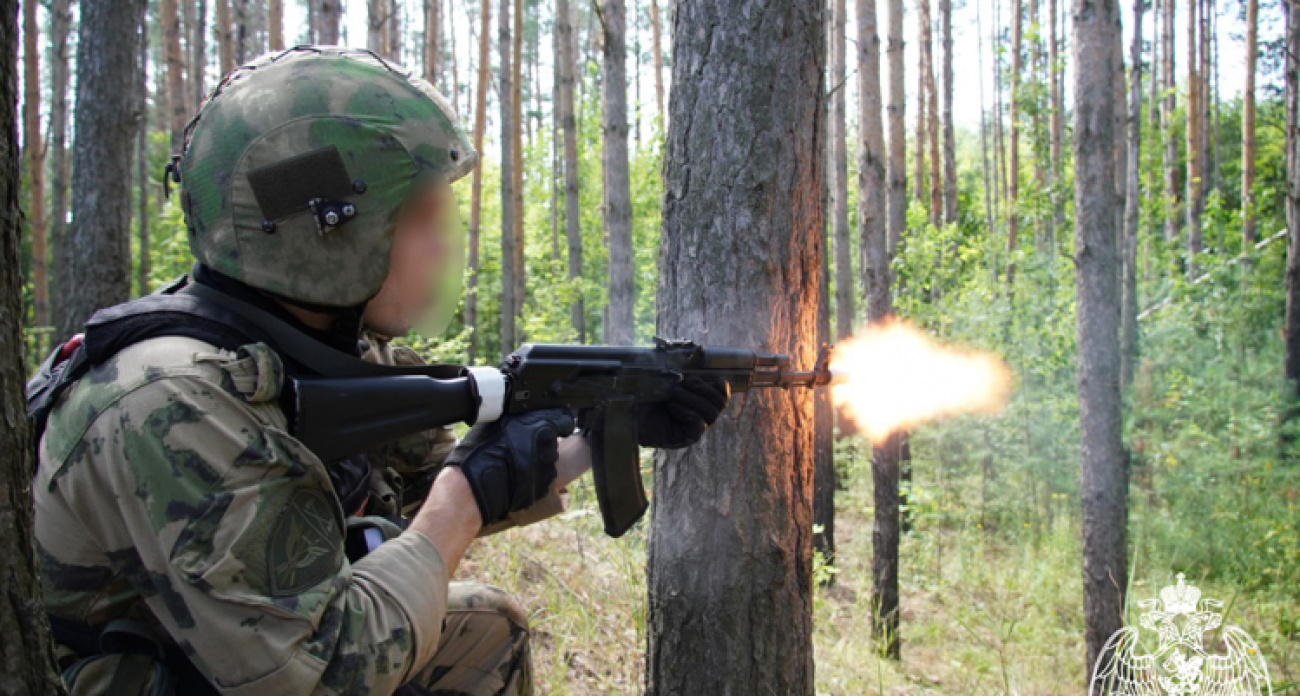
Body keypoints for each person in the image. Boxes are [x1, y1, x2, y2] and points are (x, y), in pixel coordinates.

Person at [31, 47, 728, 696]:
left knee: (485, 630)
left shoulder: (315, 350)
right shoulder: (169, 400)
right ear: (328, 232)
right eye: (421, 216)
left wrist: (602, 436)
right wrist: (460, 504)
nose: (445, 241)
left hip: (213, 655)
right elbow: (325, 671)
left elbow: (445, 476)